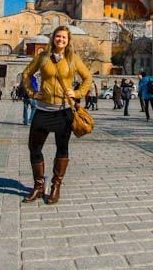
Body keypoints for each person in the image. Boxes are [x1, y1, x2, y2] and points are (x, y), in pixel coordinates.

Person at [21, 25, 92, 205]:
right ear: (53, 38)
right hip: (43, 110)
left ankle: (55, 186)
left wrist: (77, 93)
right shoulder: (43, 57)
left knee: (62, 148)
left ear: (68, 41)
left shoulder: (73, 59)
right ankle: (38, 186)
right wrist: (31, 92)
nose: (60, 40)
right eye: (58, 37)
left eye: (64, 38)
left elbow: (88, 78)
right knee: (34, 148)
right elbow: (26, 74)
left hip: (63, 111)